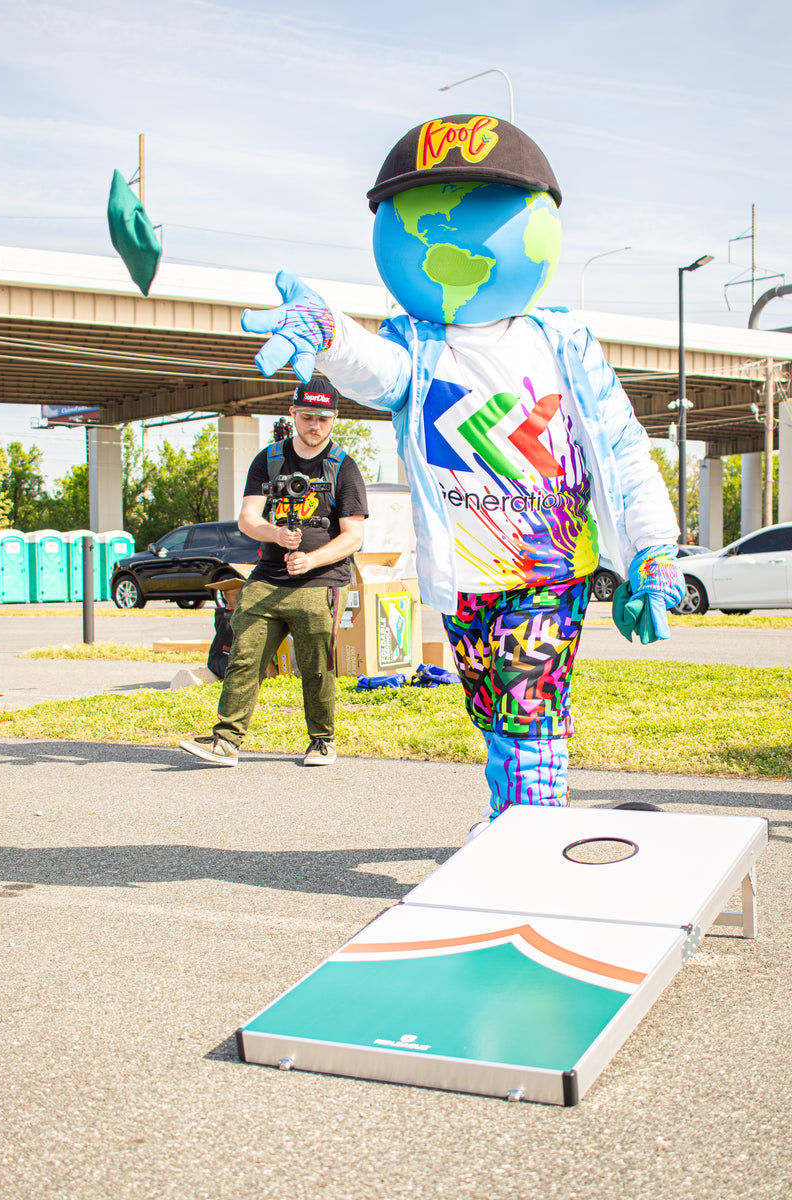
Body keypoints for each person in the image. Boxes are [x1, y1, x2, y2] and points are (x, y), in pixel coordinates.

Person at [237, 115, 684, 825]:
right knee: (493, 708)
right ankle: (517, 815)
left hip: (548, 571)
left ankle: (529, 830)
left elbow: (623, 447)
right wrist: (329, 332)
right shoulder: (416, 345)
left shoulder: (563, 342)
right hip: (463, 580)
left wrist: (652, 548)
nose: (458, 242)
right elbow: (375, 369)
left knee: (529, 710)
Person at [179, 378, 368, 767]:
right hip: (267, 578)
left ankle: (322, 742)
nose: (315, 425)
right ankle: (226, 741)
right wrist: (276, 534)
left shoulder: (343, 467)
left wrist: (311, 560)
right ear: (292, 413)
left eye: (323, 418)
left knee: (317, 667)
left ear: (334, 419)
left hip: (321, 583)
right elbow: (247, 518)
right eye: (307, 416)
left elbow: (354, 536)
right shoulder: (269, 459)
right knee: (243, 657)